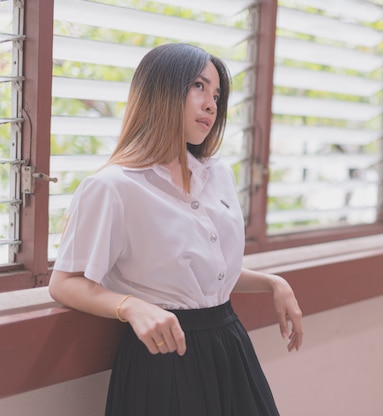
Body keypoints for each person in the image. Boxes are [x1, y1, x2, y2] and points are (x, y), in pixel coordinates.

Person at [48, 43, 303, 416]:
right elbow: (64, 282)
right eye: (198, 86)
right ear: (161, 90)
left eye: (216, 94)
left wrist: (272, 282)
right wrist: (131, 307)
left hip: (229, 345)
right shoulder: (113, 187)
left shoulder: (218, 175)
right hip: (164, 356)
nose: (212, 104)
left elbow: (201, 274)